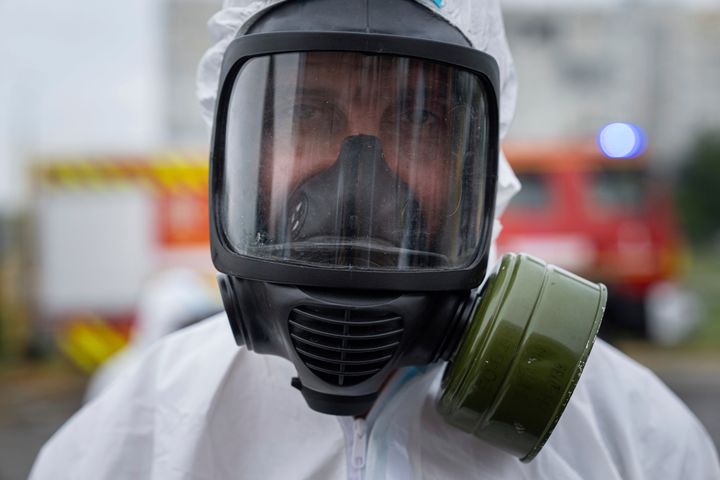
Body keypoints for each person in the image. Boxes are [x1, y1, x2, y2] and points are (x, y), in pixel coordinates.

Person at [31, 0, 720, 478]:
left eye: (418, 120)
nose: (360, 171)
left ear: (477, 163)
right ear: (241, 154)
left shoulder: (632, 438)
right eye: (306, 111)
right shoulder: (142, 430)